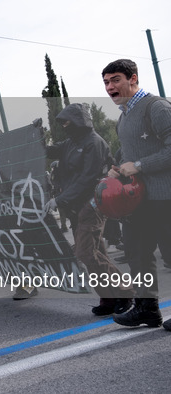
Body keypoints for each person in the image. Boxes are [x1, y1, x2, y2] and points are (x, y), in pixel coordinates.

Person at [45, 102, 133, 315]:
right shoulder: (71, 142)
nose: (64, 125)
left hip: (93, 202)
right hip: (78, 205)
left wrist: (61, 200)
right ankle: (109, 297)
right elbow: (49, 151)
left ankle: (126, 292)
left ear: (78, 120)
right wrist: (35, 137)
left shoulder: (94, 142)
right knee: (94, 252)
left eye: (67, 121)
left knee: (85, 252)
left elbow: (88, 178)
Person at [102, 59, 171, 329]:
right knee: (137, 254)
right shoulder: (124, 116)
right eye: (106, 82)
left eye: (116, 79)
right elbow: (129, 154)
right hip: (139, 201)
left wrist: (140, 165)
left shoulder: (156, 108)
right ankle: (147, 309)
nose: (110, 87)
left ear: (133, 78)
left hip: (164, 196)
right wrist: (117, 168)